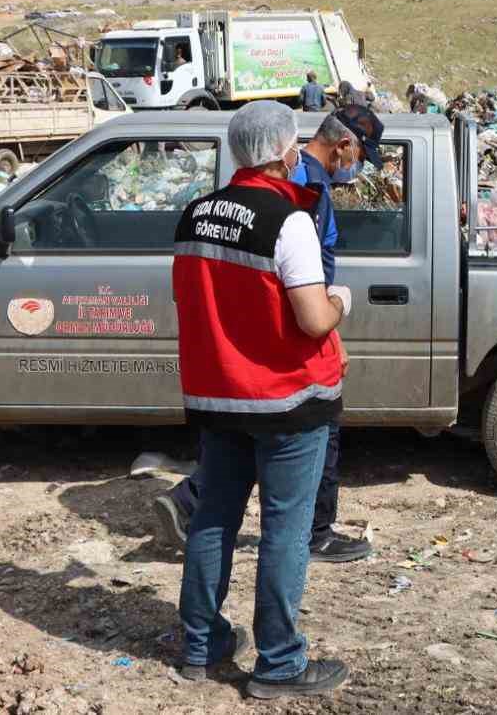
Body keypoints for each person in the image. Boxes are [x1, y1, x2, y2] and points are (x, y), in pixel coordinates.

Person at [171, 100, 352, 698]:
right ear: (286, 154)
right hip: (286, 402)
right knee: (285, 529)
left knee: (214, 517)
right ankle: (278, 664)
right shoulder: (288, 220)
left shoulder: (195, 216)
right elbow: (310, 319)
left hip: (218, 397)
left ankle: (200, 644)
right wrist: (342, 302)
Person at [155, 105, 384, 563]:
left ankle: (194, 509)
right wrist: (331, 333)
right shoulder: (307, 190)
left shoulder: (200, 210)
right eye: (361, 154)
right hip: (287, 356)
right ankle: (313, 534)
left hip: (218, 385)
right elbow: (305, 290)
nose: (358, 166)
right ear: (343, 146)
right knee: (289, 505)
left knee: (226, 493)